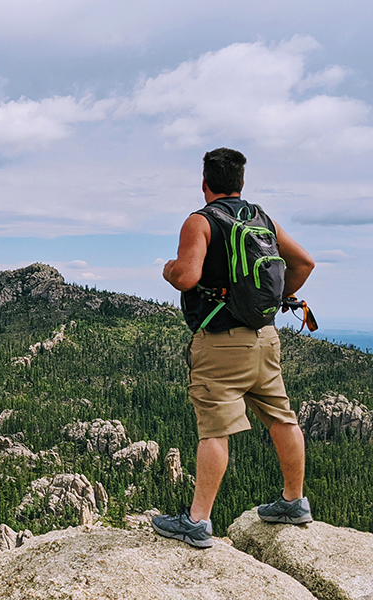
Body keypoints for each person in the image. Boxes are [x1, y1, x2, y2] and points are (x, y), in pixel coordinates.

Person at [151, 148, 316, 548]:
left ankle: (196, 521)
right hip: (265, 337)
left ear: (205, 183)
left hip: (221, 343)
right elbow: (305, 263)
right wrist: (273, 300)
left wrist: (168, 269)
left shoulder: (201, 221)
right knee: (282, 417)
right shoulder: (262, 219)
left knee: (215, 429)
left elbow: (188, 276)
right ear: (241, 183)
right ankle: (294, 503)